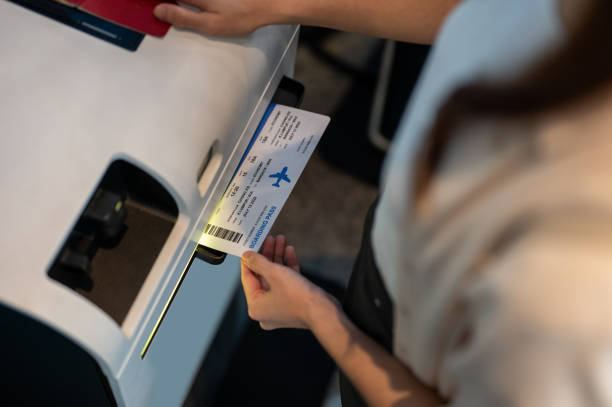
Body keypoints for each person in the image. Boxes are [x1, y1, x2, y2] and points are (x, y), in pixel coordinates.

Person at [156, 0, 612, 405]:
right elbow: (476, 9)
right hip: (398, 283)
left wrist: (323, 318)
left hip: (409, 357)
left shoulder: (568, 281)